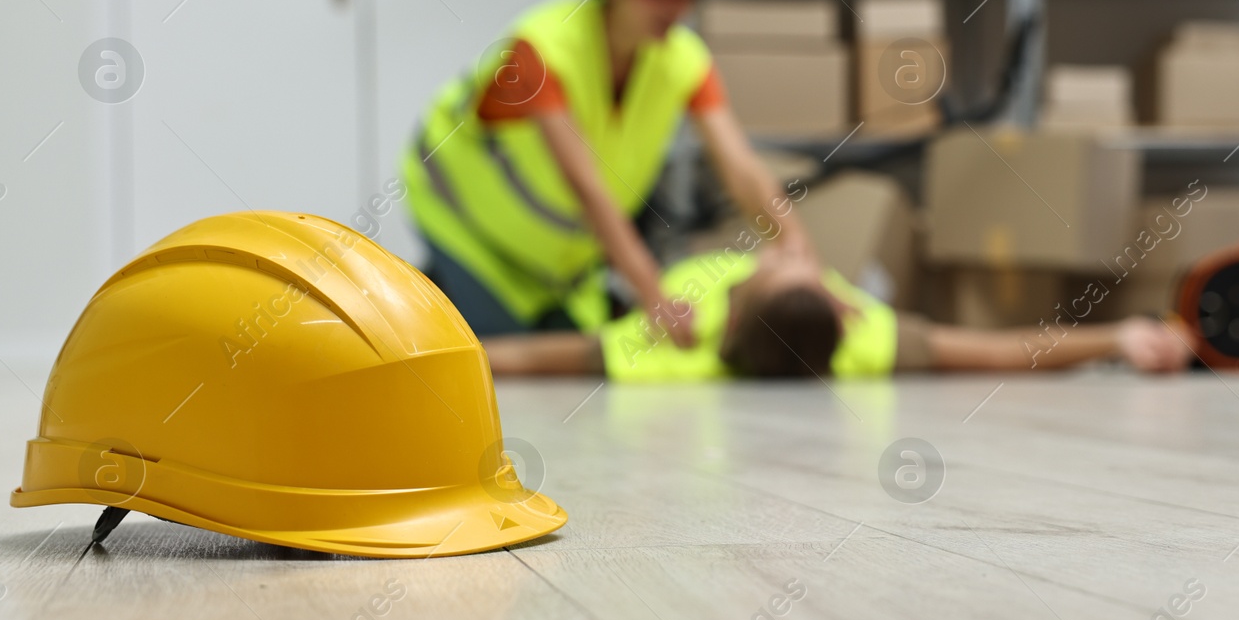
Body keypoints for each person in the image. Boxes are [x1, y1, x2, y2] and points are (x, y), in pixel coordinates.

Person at [399, 0, 813, 344]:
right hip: (470, 229)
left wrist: (801, 258)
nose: (674, 8)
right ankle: (427, 290)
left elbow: (741, 169)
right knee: (487, 355)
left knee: (570, 353)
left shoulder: (684, 59)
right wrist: (653, 297)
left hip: (559, 260)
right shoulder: (543, 49)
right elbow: (587, 185)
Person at [481, 246, 1196, 380]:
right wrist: (1115, 336)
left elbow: (531, 358)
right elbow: (1005, 350)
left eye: (786, 267)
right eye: (809, 273)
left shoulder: (670, 345)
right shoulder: (864, 340)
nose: (790, 254)